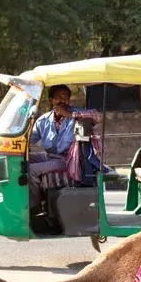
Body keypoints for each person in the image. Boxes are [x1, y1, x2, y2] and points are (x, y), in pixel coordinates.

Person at [28, 84, 98, 214]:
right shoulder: (43, 120)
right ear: (51, 100)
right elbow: (28, 141)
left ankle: (35, 204)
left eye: (65, 97)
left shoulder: (76, 113)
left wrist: (69, 114)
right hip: (51, 156)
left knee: (31, 170)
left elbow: (95, 116)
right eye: (58, 97)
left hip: (69, 160)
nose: (62, 100)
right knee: (22, 160)